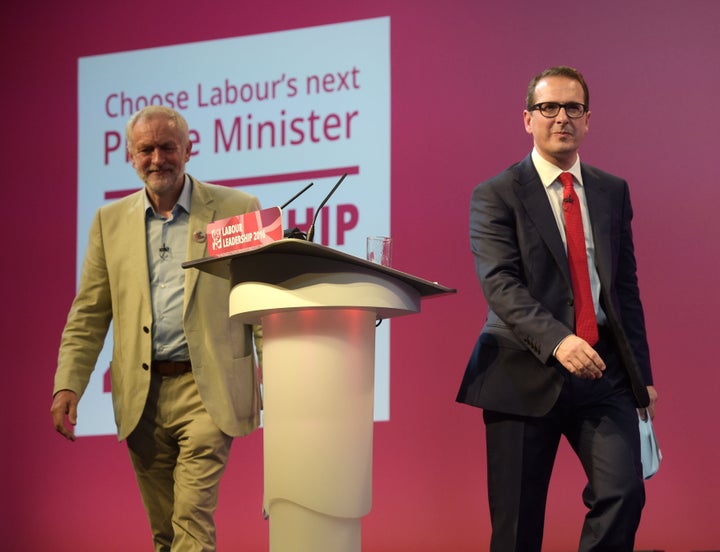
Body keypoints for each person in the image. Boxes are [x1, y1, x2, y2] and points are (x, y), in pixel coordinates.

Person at [456, 66, 658, 551]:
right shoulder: (496, 193)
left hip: (602, 370)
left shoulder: (612, 191)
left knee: (624, 495)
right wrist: (558, 340)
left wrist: (641, 375)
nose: (561, 117)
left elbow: (624, 289)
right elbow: (500, 284)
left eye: (573, 108)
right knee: (517, 530)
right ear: (527, 119)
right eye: (549, 107)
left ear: (588, 119)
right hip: (520, 371)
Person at [51, 105, 263, 551]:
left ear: (189, 150)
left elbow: (258, 302)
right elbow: (90, 311)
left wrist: (281, 380)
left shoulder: (237, 210)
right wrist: (68, 383)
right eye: (145, 149)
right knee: (165, 533)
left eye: (167, 147)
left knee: (191, 519)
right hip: (141, 395)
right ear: (130, 156)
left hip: (207, 390)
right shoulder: (108, 223)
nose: (157, 158)